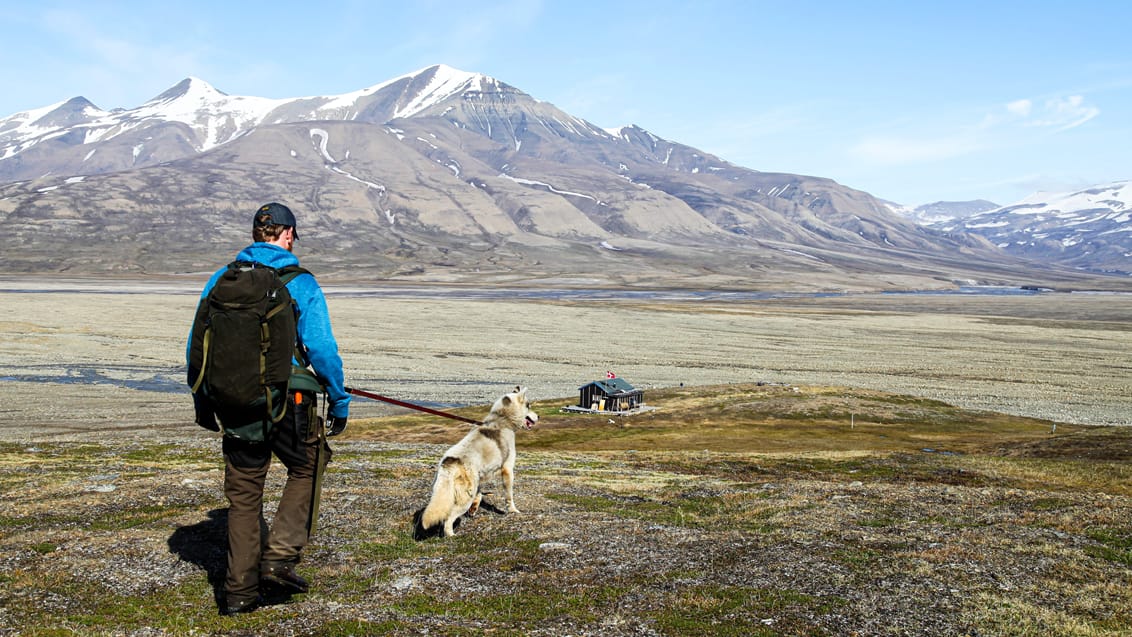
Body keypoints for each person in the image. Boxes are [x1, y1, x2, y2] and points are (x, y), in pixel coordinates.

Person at [187, 202, 350, 615]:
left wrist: (203, 401)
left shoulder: (220, 279)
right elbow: (322, 349)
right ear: (289, 234)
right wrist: (340, 399)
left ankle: (239, 595)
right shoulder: (300, 281)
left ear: (256, 234)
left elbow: (197, 348)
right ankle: (278, 558)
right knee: (308, 464)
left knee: (243, 497)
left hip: (236, 402)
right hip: (290, 401)